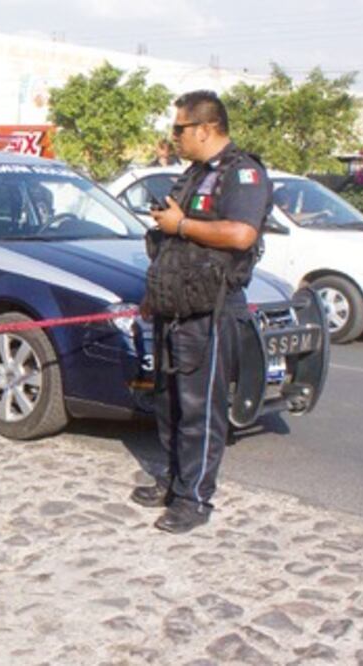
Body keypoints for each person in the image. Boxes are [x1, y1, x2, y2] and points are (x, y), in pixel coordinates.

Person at [134, 90, 272, 534]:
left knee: (200, 408)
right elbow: (173, 242)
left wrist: (181, 225)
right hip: (173, 302)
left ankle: (194, 499)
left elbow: (241, 234)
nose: (174, 136)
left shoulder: (243, 174)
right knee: (169, 403)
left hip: (209, 311)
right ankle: (173, 481)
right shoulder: (194, 173)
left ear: (206, 129)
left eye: (180, 128)